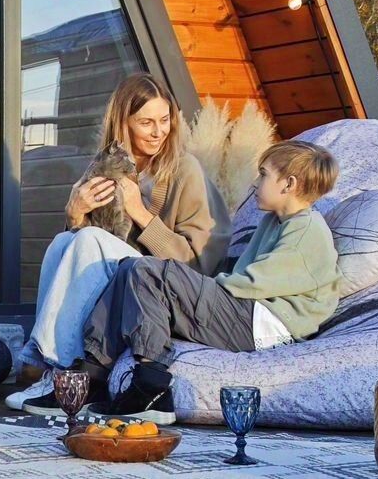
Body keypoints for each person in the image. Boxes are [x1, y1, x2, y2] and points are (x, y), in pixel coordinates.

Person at [10, 72, 231, 415]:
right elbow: (80, 250)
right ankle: (54, 370)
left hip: (165, 284)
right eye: (146, 123)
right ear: (123, 123)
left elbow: (195, 262)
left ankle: (64, 372)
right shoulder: (107, 165)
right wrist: (75, 213)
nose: (159, 132)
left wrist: (140, 212)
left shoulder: (185, 169)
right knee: (62, 241)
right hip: (118, 279)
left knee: (87, 238)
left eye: (165, 120)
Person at [81, 140, 342, 423]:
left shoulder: (306, 229)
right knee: (129, 267)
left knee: (150, 271)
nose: (255, 182)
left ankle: (151, 388)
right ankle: (93, 376)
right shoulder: (275, 221)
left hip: (264, 325)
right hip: (247, 314)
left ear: (289, 184)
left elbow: (255, 282)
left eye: (263, 174)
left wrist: (198, 287)